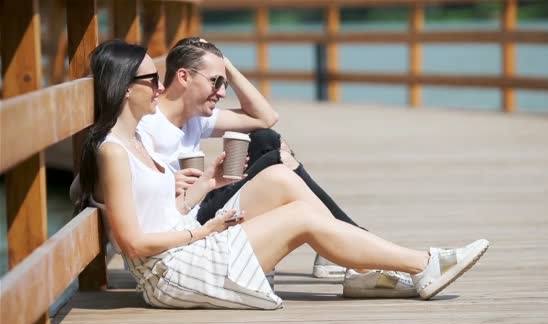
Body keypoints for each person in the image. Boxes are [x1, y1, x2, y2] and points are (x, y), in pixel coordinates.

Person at [77, 39, 489, 309]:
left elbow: (160, 209)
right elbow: (132, 243)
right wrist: (203, 231)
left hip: (181, 241)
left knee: (279, 177)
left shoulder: (136, 142)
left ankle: (383, 268)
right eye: (151, 79)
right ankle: (422, 264)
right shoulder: (115, 150)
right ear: (125, 87)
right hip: (169, 271)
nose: (159, 86)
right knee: (300, 214)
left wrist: (206, 185)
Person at [136, 37, 362, 279]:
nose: (222, 92)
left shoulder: (195, 118)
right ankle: (353, 240)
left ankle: (349, 238)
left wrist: (226, 66)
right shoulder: (147, 123)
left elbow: (266, 117)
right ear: (183, 77)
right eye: (215, 81)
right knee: (276, 157)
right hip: (189, 218)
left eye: (224, 83)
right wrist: (170, 185)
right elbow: (137, 192)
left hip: (199, 201)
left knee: (266, 139)